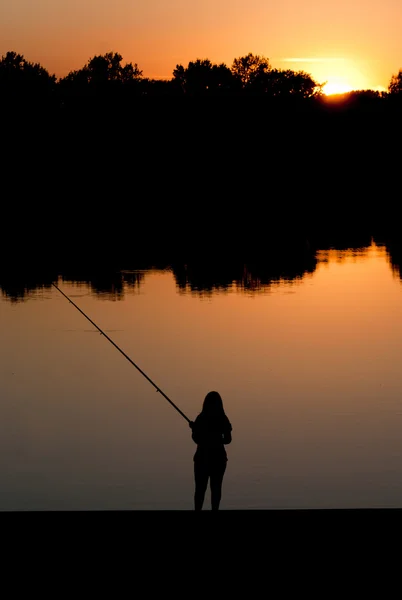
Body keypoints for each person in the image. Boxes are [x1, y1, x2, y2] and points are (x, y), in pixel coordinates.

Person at [189, 390, 232, 511]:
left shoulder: (201, 418)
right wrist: (217, 439)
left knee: (200, 489)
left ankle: (197, 511)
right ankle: (215, 511)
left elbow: (196, 439)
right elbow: (228, 440)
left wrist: (194, 430)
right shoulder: (223, 419)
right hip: (219, 459)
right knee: (216, 488)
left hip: (201, 459)